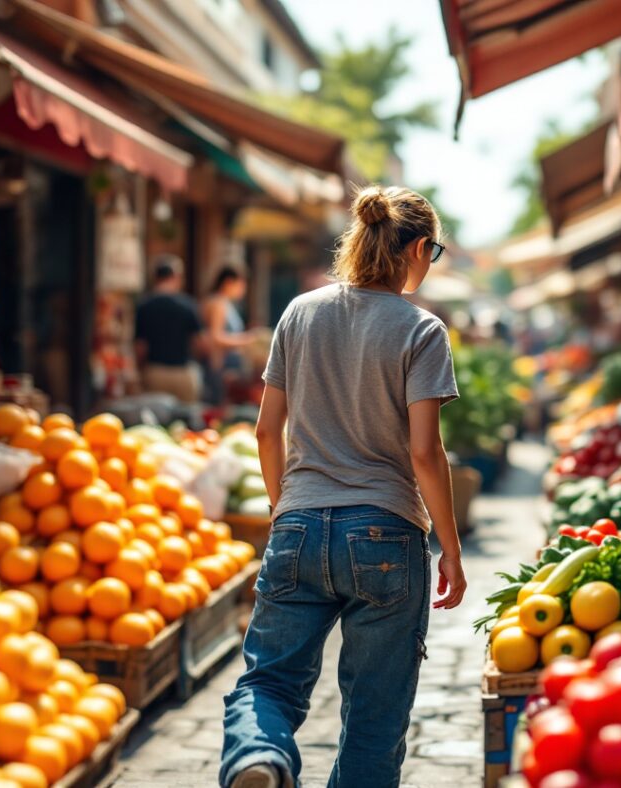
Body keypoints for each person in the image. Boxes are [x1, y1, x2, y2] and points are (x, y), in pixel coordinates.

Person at [220, 186, 467, 788]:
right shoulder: (423, 330)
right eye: (431, 253)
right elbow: (424, 453)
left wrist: (286, 510)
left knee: (268, 682)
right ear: (416, 248)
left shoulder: (300, 313)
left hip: (299, 523)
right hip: (386, 532)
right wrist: (451, 550)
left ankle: (258, 755)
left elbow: (264, 432)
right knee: (375, 719)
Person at [135, 255, 204, 402]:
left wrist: (141, 370)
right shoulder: (188, 305)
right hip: (183, 372)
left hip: (155, 372)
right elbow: (199, 342)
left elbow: (140, 346)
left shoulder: (144, 306)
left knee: (156, 420)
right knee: (187, 420)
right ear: (176, 277)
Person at [201, 266, 256, 405]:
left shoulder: (221, 302)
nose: (243, 290)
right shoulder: (218, 303)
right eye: (241, 285)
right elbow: (216, 336)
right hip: (219, 366)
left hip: (222, 366)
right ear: (229, 282)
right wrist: (247, 340)